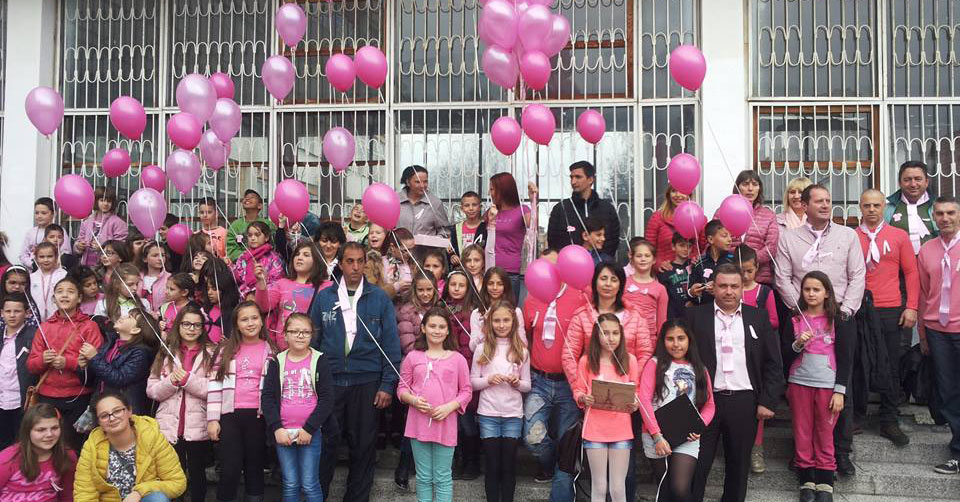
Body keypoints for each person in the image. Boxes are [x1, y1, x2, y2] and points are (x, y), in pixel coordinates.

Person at [775, 184, 865, 476]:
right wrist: (799, 311)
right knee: (803, 389)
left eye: (829, 200)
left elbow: (857, 275)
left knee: (840, 385)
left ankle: (841, 452)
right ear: (804, 205)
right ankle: (801, 455)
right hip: (803, 318)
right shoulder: (789, 237)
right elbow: (783, 277)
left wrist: (846, 312)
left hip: (840, 318)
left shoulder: (847, 235)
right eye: (819, 201)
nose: (826, 205)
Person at [309, 242, 402, 502]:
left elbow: (391, 345)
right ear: (340, 263)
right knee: (326, 445)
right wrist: (313, 381)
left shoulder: (379, 298)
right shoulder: (325, 297)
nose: (355, 266)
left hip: (367, 382)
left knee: (363, 448)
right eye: (349, 261)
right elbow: (313, 341)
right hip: (331, 381)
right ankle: (319, 497)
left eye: (360, 261)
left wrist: (387, 384)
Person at [686, 264, 784, 502]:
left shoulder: (758, 317)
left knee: (738, 468)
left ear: (742, 288)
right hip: (705, 402)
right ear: (713, 288)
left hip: (744, 401)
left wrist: (768, 401)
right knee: (697, 465)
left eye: (734, 286)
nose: (728, 292)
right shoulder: (695, 317)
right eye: (722, 286)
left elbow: (773, 363)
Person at [521, 250, 588, 500]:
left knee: (567, 440)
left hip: (569, 386)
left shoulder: (579, 297)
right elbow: (526, 336)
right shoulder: (531, 299)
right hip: (539, 382)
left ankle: (562, 480)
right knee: (531, 437)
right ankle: (549, 463)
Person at [856, 189, 917, 447]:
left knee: (891, 364)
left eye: (876, 205)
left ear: (884, 207)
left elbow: (911, 273)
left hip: (891, 307)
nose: (871, 210)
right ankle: (856, 417)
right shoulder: (851, 237)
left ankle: (889, 419)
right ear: (860, 207)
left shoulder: (899, 236)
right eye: (867, 205)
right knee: (860, 364)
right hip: (859, 309)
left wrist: (911, 306)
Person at [785, 272, 851, 502]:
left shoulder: (837, 320)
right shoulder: (795, 318)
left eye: (817, 289)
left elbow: (846, 358)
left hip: (827, 385)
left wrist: (840, 391)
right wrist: (798, 343)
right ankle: (806, 481)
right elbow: (784, 354)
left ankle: (825, 482)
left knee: (825, 433)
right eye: (807, 289)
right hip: (799, 383)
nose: (811, 294)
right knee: (802, 432)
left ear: (827, 293)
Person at [398, 308, 472, 502]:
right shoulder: (413, 357)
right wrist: (413, 400)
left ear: (448, 330)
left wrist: (449, 407)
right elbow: (401, 389)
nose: (437, 331)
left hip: (445, 423)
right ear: (423, 328)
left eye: (442, 327)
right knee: (423, 477)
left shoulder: (458, 359)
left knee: (442, 477)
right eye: (432, 326)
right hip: (418, 424)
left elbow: (466, 391)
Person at [207, 302, 277, 502]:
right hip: (230, 416)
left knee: (255, 467)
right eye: (244, 319)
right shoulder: (225, 350)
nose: (250, 323)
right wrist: (213, 419)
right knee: (230, 468)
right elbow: (214, 385)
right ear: (236, 324)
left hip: (258, 416)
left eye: (254, 318)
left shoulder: (271, 350)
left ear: (262, 321)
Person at [639, 319, 715, 502]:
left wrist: (699, 426)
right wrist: (657, 436)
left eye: (681, 338)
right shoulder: (654, 364)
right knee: (665, 489)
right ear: (663, 341)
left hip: (687, 436)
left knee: (680, 489)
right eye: (670, 339)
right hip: (656, 436)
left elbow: (710, 405)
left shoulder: (699, 368)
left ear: (689, 340)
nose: (676, 344)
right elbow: (643, 400)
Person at [261, 314, 335, 502]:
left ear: (312, 335)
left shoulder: (320, 360)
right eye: (294, 331)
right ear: (285, 335)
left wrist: (309, 428)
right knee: (290, 483)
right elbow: (268, 397)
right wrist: (277, 428)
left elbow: (327, 399)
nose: (300, 335)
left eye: (305, 332)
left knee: (310, 483)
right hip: (283, 432)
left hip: (310, 432)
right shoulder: (277, 361)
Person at [146, 304, 214, 502]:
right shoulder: (166, 351)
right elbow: (152, 390)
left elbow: (214, 389)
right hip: (169, 427)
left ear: (203, 328)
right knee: (173, 476)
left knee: (197, 474)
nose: (191, 329)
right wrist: (171, 382)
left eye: (197, 325)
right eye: (186, 324)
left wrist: (187, 380)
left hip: (198, 425)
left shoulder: (212, 353)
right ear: (178, 325)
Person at [27, 276, 103, 451]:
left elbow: (97, 364)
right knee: (48, 445)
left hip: (79, 396)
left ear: (79, 298)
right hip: (48, 396)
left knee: (75, 446)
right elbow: (31, 365)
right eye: (59, 292)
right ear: (54, 299)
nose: (64, 295)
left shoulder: (89, 326)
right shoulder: (44, 327)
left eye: (70, 291)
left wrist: (67, 362)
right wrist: (42, 359)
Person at [74, 390, 187, 502]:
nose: (112, 418)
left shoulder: (152, 437)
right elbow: (84, 493)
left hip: (144, 499)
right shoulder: (91, 447)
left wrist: (139, 492)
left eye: (117, 411)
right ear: (98, 422)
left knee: (158, 499)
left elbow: (177, 482)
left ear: (129, 411)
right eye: (104, 416)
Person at [572, 314, 638, 502]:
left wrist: (634, 402)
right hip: (595, 430)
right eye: (605, 333)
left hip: (621, 429)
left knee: (618, 488)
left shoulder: (629, 360)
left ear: (621, 334)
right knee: (599, 486)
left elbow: (636, 390)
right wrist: (583, 397)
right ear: (596, 335)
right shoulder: (586, 361)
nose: (611, 338)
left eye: (615, 333)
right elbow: (578, 389)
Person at [917, 196, 960, 475]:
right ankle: (956, 450)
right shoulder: (927, 250)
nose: (945, 218)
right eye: (940, 213)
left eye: (951, 213)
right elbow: (922, 292)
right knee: (948, 393)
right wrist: (922, 334)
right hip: (937, 331)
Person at [470, 303, 530, 502]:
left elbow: (527, 385)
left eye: (506, 320)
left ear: (513, 322)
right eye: (497, 320)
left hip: (513, 414)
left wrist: (517, 383)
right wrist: (488, 380)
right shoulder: (481, 349)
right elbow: (472, 382)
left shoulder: (521, 350)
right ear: (490, 322)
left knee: (508, 465)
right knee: (492, 465)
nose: (502, 324)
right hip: (488, 414)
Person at [443, 270, 482, 480]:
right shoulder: (442, 309)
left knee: (467, 421)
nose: (457, 288)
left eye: (462, 285)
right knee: (452, 423)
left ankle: (472, 462)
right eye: (453, 284)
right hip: (447, 372)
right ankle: (456, 461)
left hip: (467, 372)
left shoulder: (474, 312)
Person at [254, 240, 330, 349]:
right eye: (297, 254)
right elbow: (264, 307)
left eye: (306, 255)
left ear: (317, 260)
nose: (299, 257)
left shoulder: (328, 286)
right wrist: (261, 282)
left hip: (315, 347)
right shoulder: (282, 283)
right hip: (284, 348)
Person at [82, 308, 159, 415]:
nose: (123, 317)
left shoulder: (141, 353)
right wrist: (84, 366)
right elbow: (92, 379)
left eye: (129, 317)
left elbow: (119, 378)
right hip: (102, 405)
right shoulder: (110, 343)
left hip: (124, 410)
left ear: (135, 330)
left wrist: (94, 358)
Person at [0, 403, 76, 502]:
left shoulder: (67, 455)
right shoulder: (7, 459)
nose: (49, 434)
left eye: (54, 428)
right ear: (28, 432)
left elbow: (67, 494)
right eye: (41, 430)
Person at [547, 160, 621, 259]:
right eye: (571, 177)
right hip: (570, 268)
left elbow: (613, 239)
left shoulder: (607, 208)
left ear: (590, 179)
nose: (573, 182)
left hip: (600, 269)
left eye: (578, 177)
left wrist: (600, 262)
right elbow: (553, 241)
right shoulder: (561, 208)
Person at [485, 174, 538, 302]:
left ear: (503, 190)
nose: (489, 193)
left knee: (509, 310)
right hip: (491, 269)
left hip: (512, 271)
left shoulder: (522, 210)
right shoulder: (490, 212)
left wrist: (533, 201)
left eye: (492, 189)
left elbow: (533, 227)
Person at [0, 293, 38, 448]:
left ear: (27, 313)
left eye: (17, 311)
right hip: (2, 399)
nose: (12, 315)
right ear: (1, 313)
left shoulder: (33, 336)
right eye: (8, 311)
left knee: (21, 445)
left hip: (22, 401)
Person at [729, 170, 779, 285]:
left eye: (755, 184)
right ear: (738, 187)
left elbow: (771, 248)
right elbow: (717, 240)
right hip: (730, 277)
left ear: (759, 188)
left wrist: (749, 262)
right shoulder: (724, 211)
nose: (750, 189)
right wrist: (736, 261)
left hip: (760, 278)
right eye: (745, 184)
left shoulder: (769, 215)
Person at [885, 161, 938, 254]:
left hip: (932, 265)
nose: (913, 184)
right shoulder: (888, 209)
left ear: (926, 182)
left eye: (918, 179)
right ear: (900, 183)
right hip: (898, 266)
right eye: (907, 180)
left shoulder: (937, 207)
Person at [468, 267, 525, 352]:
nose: (495, 288)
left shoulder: (516, 312)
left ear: (506, 286)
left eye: (500, 284)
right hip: (485, 359)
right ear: (485, 285)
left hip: (510, 359)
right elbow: (473, 347)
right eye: (490, 283)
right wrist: (485, 328)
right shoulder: (477, 313)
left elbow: (523, 344)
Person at [623, 239, 668, 344]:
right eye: (639, 256)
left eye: (647, 256)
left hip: (649, 340)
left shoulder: (660, 289)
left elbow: (661, 321)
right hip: (624, 338)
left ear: (654, 260)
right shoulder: (623, 283)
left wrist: (660, 344)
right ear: (632, 258)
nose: (643, 259)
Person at [646, 186, 698, 272]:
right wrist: (657, 264)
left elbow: (701, 246)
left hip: (689, 274)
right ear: (668, 194)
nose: (678, 195)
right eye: (674, 191)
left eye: (682, 191)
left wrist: (694, 259)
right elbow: (649, 248)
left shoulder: (696, 217)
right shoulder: (657, 217)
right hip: (664, 273)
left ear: (689, 194)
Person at [74, 189, 128, 268]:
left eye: (109, 201)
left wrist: (103, 247)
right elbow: (80, 240)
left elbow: (120, 246)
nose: (105, 204)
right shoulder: (87, 222)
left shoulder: (118, 223)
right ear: (96, 202)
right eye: (102, 200)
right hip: (86, 263)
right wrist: (79, 246)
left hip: (106, 265)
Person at [231, 222, 283, 299]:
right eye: (250, 235)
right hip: (244, 296)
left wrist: (261, 280)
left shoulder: (273, 257)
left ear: (266, 237)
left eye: (257, 235)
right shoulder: (243, 257)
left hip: (266, 294)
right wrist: (230, 267)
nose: (253, 238)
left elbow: (277, 279)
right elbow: (238, 277)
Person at [397, 165, 450, 238]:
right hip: (399, 248)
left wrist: (434, 241)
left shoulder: (435, 203)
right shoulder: (395, 201)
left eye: (425, 182)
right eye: (417, 182)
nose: (422, 185)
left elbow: (445, 231)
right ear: (408, 182)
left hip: (428, 249)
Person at [688, 220, 733, 306]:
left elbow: (740, 288)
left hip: (727, 310)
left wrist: (719, 290)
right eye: (724, 236)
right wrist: (692, 292)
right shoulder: (698, 262)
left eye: (730, 235)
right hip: (703, 311)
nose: (730, 239)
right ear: (711, 239)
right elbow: (690, 290)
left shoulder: (733, 262)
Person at [20, 198, 71, 267]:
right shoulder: (31, 233)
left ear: (53, 214)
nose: (39, 216)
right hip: (34, 271)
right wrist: (33, 264)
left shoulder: (60, 231)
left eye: (43, 213)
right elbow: (23, 255)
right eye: (37, 213)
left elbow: (66, 252)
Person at [226, 189, 276, 261]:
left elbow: (273, 245)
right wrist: (247, 256)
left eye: (252, 197)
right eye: (245, 197)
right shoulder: (235, 225)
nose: (247, 198)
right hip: (242, 264)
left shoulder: (268, 224)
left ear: (259, 205)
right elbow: (231, 250)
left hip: (264, 262)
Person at [658, 233, 694, 318]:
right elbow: (662, 298)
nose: (686, 249)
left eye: (689, 246)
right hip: (673, 315)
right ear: (673, 247)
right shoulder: (666, 269)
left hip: (693, 314)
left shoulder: (695, 266)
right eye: (682, 245)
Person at [29, 243, 67, 321]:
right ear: (36, 258)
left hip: (59, 318)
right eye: (41, 257)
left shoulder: (63, 275)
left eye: (50, 256)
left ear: (56, 257)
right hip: (36, 319)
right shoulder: (31, 278)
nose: (46, 260)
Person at [450, 191, 487, 258]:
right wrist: (452, 256)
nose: (471, 208)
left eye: (474, 205)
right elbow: (452, 250)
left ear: (480, 207)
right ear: (461, 208)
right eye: (467, 205)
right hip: (461, 267)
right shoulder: (456, 229)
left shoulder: (486, 228)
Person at [138, 242, 171, 313]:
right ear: (145, 259)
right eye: (155, 255)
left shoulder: (170, 278)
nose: (160, 259)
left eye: (162, 255)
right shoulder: (137, 278)